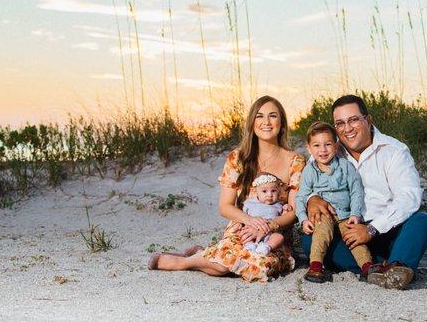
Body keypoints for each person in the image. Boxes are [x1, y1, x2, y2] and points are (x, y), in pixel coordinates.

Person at [148, 95, 306, 282]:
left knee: (259, 268)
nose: (266, 122)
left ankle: (200, 256)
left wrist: (267, 226)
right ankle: (184, 262)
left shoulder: (295, 161)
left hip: (275, 235)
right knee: (226, 262)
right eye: (259, 116)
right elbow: (225, 206)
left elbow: (294, 211)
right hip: (243, 227)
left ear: (282, 122)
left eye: (272, 116)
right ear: (252, 122)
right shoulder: (237, 158)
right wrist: (251, 222)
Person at [301, 95, 427, 290]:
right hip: (347, 231)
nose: (347, 129)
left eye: (353, 120)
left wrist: (371, 230)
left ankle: (398, 265)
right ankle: (378, 268)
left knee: (422, 222)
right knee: (309, 239)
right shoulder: (329, 149)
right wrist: (312, 199)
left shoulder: (394, 151)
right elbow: (309, 182)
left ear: (368, 120)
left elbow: (409, 197)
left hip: (387, 228)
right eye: (340, 123)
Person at [296, 121, 372, 283]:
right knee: (320, 234)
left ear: (336, 146)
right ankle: (316, 266)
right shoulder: (309, 171)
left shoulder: (346, 166)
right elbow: (301, 196)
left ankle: (367, 267)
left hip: (345, 214)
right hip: (325, 215)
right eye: (316, 145)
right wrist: (303, 219)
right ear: (309, 148)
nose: (322, 150)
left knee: (353, 237)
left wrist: (355, 214)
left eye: (328, 144)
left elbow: (356, 191)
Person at [235, 172, 292, 255]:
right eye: (264, 191)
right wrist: (238, 224)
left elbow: (283, 219)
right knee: (243, 235)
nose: (269, 195)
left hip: (271, 233)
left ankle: (266, 247)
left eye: (273, 191)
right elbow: (242, 216)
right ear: (256, 191)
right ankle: (250, 245)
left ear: (278, 191)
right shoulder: (249, 203)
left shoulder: (279, 205)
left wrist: (286, 210)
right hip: (251, 231)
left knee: (279, 237)